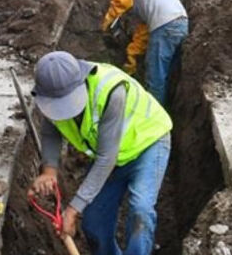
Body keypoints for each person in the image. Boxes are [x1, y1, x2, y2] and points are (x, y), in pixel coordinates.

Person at [29, 50, 172, 255]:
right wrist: (49, 170)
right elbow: (51, 130)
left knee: (141, 209)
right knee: (94, 222)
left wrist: (73, 209)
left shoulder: (111, 92)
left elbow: (106, 159)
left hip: (148, 143)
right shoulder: (50, 97)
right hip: (113, 155)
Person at [101, 0, 188, 106]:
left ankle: (153, 115)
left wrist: (109, 19)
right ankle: (168, 112)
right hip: (179, 24)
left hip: (165, 26)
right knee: (169, 75)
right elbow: (143, 33)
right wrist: (131, 61)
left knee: (155, 77)